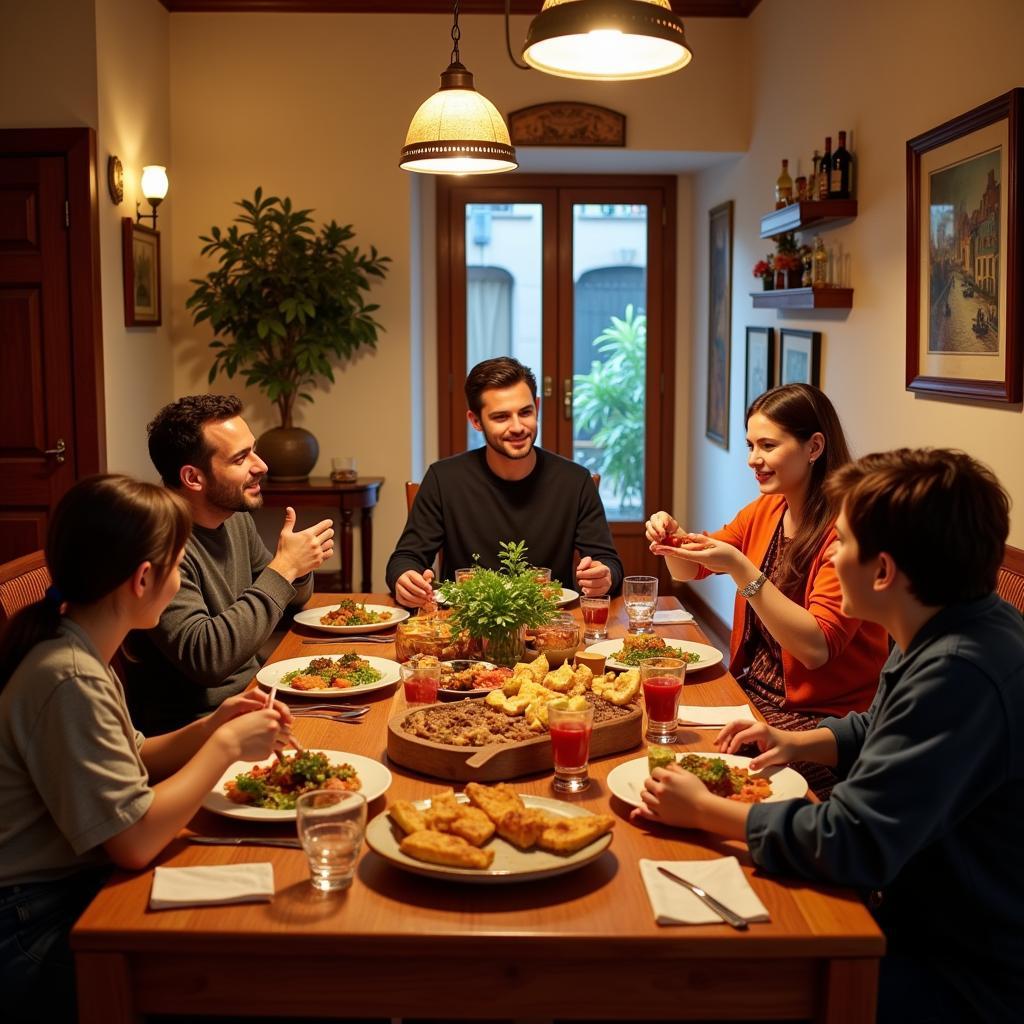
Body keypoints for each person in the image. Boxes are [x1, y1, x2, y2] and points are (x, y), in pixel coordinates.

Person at [635, 448, 1024, 1023]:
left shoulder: (957, 671)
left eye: (839, 543)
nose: (829, 556)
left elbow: (852, 841)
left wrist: (705, 813)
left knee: (689, 987)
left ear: (884, 572)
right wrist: (799, 742)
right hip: (915, 907)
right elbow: (882, 724)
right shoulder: (950, 622)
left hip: (956, 960)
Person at [0, 475, 292, 1024]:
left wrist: (209, 726)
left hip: (64, 888)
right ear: (142, 579)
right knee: (244, 970)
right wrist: (226, 747)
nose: (180, 578)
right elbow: (133, 841)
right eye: (179, 566)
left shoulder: (78, 645)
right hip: (30, 920)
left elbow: (132, 754)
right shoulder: (67, 675)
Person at [645, 384, 889, 794]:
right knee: (659, 737)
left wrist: (744, 572)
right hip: (753, 691)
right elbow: (689, 571)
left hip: (821, 716)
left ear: (814, 447)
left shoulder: (844, 532)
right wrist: (672, 538)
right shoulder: (768, 509)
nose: (753, 460)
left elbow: (816, 649)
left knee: (702, 776)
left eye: (767, 446)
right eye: (750, 445)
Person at [124, 395, 333, 733]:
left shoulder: (232, 519)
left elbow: (289, 600)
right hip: (197, 728)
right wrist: (283, 569)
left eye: (253, 449)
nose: (261, 465)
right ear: (193, 477)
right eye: (241, 458)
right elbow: (207, 658)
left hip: (254, 695)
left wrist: (298, 567)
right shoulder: (160, 544)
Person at [386, 357, 623, 607]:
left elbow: (608, 562)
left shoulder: (575, 481)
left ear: (537, 407)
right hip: (466, 626)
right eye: (501, 417)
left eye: (525, 412)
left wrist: (604, 576)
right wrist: (405, 579)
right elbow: (405, 558)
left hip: (549, 623)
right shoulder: (443, 479)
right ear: (476, 421)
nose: (518, 427)